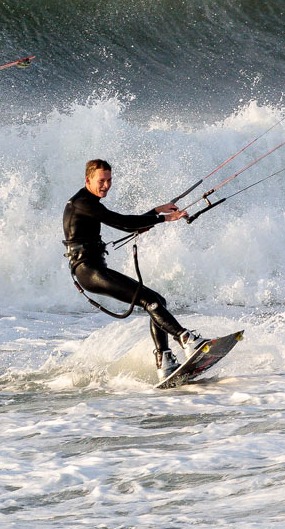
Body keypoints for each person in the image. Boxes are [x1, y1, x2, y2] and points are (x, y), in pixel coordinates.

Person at [63, 158, 206, 377]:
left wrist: (155, 211)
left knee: (158, 302)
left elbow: (125, 222)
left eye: (109, 180)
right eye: (101, 180)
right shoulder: (81, 203)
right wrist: (164, 218)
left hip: (94, 268)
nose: (106, 185)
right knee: (150, 301)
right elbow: (122, 223)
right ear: (88, 180)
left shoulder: (90, 203)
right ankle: (186, 339)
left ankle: (165, 360)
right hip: (88, 271)